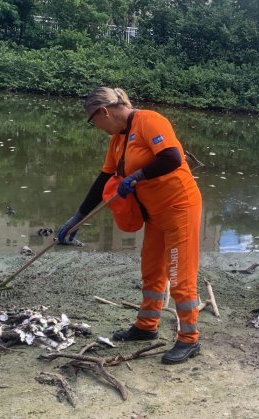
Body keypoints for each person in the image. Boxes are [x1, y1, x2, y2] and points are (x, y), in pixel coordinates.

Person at [56, 87, 203, 364]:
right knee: (151, 270)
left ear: (104, 112)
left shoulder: (150, 121)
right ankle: (146, 327)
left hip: (179, 207)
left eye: (93, 121)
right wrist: (77, 218)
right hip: (155, 213)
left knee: (180, 275)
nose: (96, 127)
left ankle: (189, 339)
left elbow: (172, 157)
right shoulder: (117, 141)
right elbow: (103, 179)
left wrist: (138, 174)